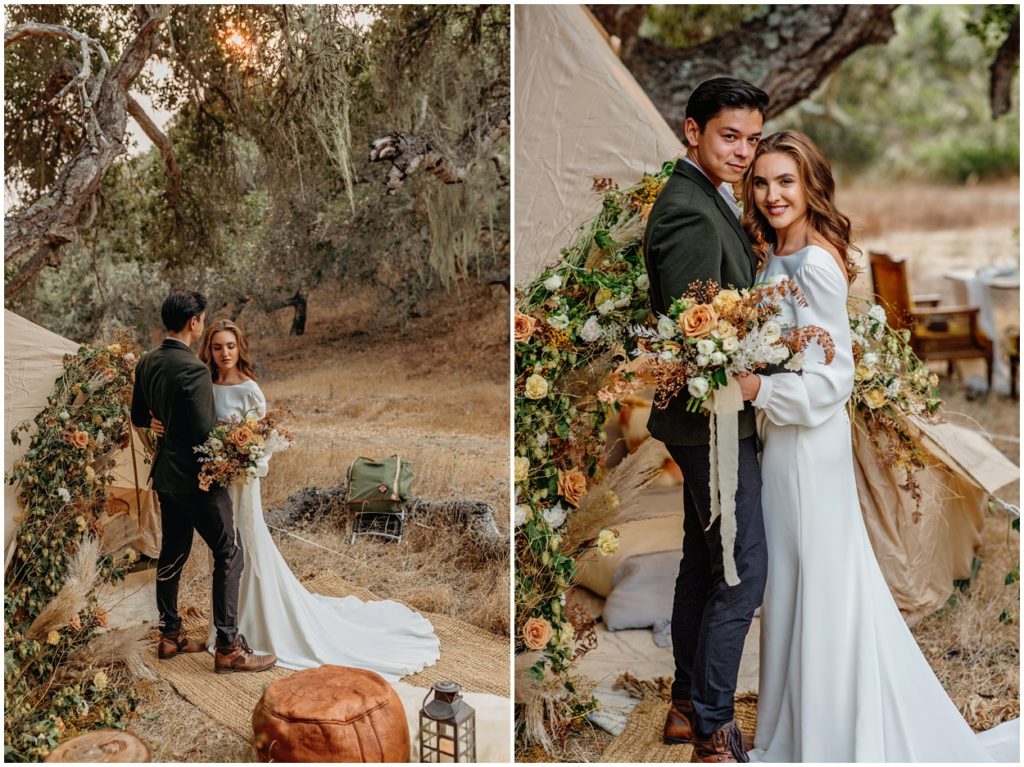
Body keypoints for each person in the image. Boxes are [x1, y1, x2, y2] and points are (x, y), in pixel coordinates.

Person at [734, 130, 1019, 762]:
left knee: (820, 582)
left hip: (808, 444)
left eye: (786, 181)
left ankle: (832, 738)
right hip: (783, 443)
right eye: (762, 182)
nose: (773, 194)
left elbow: (833, 378)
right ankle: (800, 726)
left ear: (811, 186)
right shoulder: (773, 255)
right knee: (797, 583)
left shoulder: (812, 263)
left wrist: (756, 388)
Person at [153, 318, 440, 676]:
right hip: (213, 486)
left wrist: (242, 460)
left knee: (247, 550)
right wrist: (158, 423)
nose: (224, 353)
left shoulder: (250, 390)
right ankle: (224, 633)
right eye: (216, 347)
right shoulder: (203, 385)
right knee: (223, 558)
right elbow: (191, 425)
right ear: (207, 351)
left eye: (230, 346)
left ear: (240, 348)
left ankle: (258, 628)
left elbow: (262, 446)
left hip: (241, 483)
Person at [642, 76, 770, 763]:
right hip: (711, 423)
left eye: (752, 139)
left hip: (707, 421)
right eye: (730, 135)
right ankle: (717, 731)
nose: (744, 151)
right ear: (692, 130)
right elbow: (695, 339)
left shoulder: (705, 196)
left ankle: (688, 704)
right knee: (743, 569)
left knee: (702, 561)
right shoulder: (689, 209)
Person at [130, 291, 276, 674]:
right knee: (229, 552)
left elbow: (139, 416)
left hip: (164, 476)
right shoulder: (194, 370)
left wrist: (160, 422)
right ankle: (228, 646)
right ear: (195, 321)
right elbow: (201, 431)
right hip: (197, 479)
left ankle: (170, 634)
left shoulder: (147, 361)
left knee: (173, 552)